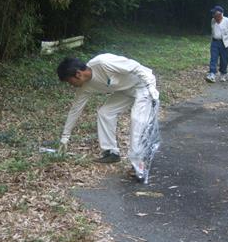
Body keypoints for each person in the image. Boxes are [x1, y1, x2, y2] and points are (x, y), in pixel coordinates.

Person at [56, 54, 160, 182]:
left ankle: (138, 166)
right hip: (125, 91)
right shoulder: (85, 87)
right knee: (105, 112)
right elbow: (75, 109)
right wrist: (65, 137)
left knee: (137, 121)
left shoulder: (103, 63)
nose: (71, 85)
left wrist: (150, 86)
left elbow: (135, 67)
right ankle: (111, 152)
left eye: (69, 81)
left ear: (78, 74)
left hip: (143, 85)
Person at [205, 5, 228, 83]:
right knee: (213, 58)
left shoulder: (227, 21)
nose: (214, 15)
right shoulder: (213, 20)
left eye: (215, 14)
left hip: (225, 43)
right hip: (215, 42)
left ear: (220, 14)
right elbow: (213, 31)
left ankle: (223, 73)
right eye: (213, 14)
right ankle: (212, 74)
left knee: (224, 60)